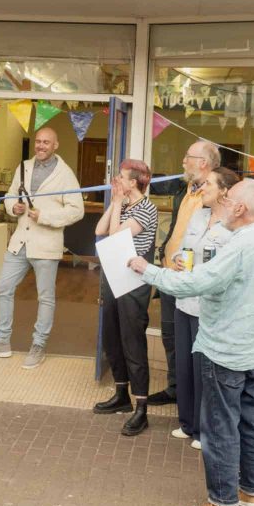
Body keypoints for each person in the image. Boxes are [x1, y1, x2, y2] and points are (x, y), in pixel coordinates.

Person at [130, 179, 254, 506]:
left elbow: (196, 285)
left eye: (228, 199)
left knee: (219, 428)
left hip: (226, 349)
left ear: (241, 209)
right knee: (251, 421)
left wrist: (147, 269)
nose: (223, 203)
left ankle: (222, 504)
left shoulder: (240, 246)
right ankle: (249, 491)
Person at [0, 127, 85, 369]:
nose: (41, 146)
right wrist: (15, 207)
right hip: (20, 242)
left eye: (46, 142)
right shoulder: (23, 167)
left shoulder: (65, 174)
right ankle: (1, 341)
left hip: (46, 244)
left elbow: (77, 210)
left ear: (56, 145)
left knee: (45, 297)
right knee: (3, 287)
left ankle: (39, 345)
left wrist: (44, 216)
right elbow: (10, 195)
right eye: (38, 142)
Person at [168, 166, 240, 449]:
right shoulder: (198, 214)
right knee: (184, 364)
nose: (202, 186)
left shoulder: (234, 225)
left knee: (204, 369)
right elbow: (183, 247)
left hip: (209, 307)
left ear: (224, 190)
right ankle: (188, 423)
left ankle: (204, 430)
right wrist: (175, 258)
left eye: (208, 183)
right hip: (184, 299)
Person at [146, 140, 220, 406]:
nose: (182, 162)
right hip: (170, 272)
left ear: (203, 162)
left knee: (192, 340)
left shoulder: (216, 195)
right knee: (170, 335)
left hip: (193, 280)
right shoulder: (185, 187)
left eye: (187, 157)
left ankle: (192, 396)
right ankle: (175, 387)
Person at [92, 160, 158, 437]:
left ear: (134, 182)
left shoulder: (146, 208)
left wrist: (118, 201)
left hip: (133, 282)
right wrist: (115, 202)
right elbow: (99, 230)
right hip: (113, 278)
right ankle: (121, 395)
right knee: (113, 338)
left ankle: (141, 407)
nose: (116, 179)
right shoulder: (126, 205)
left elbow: (114, 236)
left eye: (121, 176)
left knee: (132, 342)